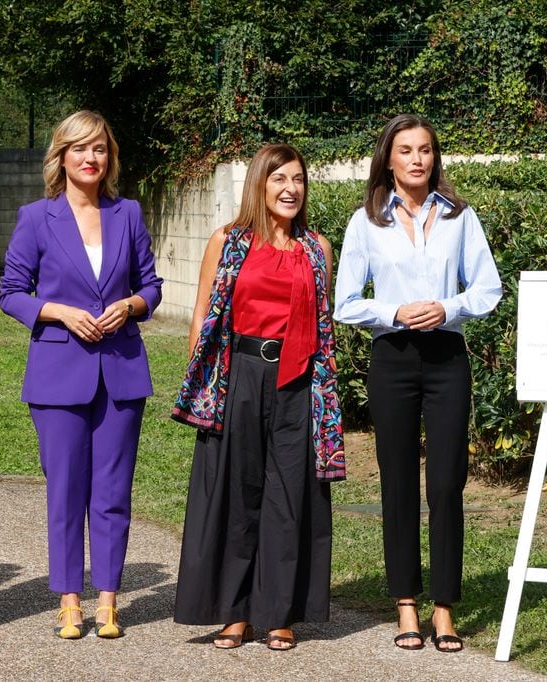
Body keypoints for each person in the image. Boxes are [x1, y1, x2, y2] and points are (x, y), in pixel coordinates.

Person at [334, 114, 502, 653]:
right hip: (394, 357)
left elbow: (488, 288)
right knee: (399, 483)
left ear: (435, 157)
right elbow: (345, 303)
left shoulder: (459, 217)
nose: (416, 159)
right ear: (388, 158)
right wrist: (396, 312)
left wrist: (447, 306)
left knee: (447, 483)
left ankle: (444, 608)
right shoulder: (366, 222)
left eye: (425, 150)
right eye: (405, 150)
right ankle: (405, 604)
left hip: (448, 357)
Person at [172, 143, 345, 651]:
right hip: (239, 374)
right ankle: (234, 612)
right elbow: (204, 312)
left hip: (297, 381)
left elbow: (323, 325)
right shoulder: (228, 241)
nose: (291, 189)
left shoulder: (318, 248)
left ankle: (278, 612)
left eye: (298, 180)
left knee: (289, 495)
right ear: (259, 185)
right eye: (279, 179)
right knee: (237, 491)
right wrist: (205, 383)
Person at [0, 110, 162, 639]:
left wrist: (133, 305)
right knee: (65, 489)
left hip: (121, 372)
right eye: (80, 149)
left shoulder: (128, 214)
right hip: (57, 375)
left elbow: (153, 285)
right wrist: (60, 312)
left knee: (113, 490)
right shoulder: (34, 217)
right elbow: (12, 293)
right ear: (62, 157)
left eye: (100, 149)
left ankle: (108, 601)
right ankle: (70, 600)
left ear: (109, 158)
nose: (91, 158)